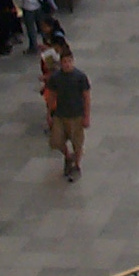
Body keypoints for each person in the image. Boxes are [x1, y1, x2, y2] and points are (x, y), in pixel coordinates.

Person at [45, 47, 92, 182]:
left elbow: (86, 97)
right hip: (60, 115)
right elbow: (52, 95)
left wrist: (86, 116)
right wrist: (49, 113)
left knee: (77, 143)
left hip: (76, 116)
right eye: (64, 61)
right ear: (61, 63)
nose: (67, 64)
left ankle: (76, 165)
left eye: (69, 61)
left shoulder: (80, 77)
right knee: (56, 141)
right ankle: (67, 156)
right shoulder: (56, 78)